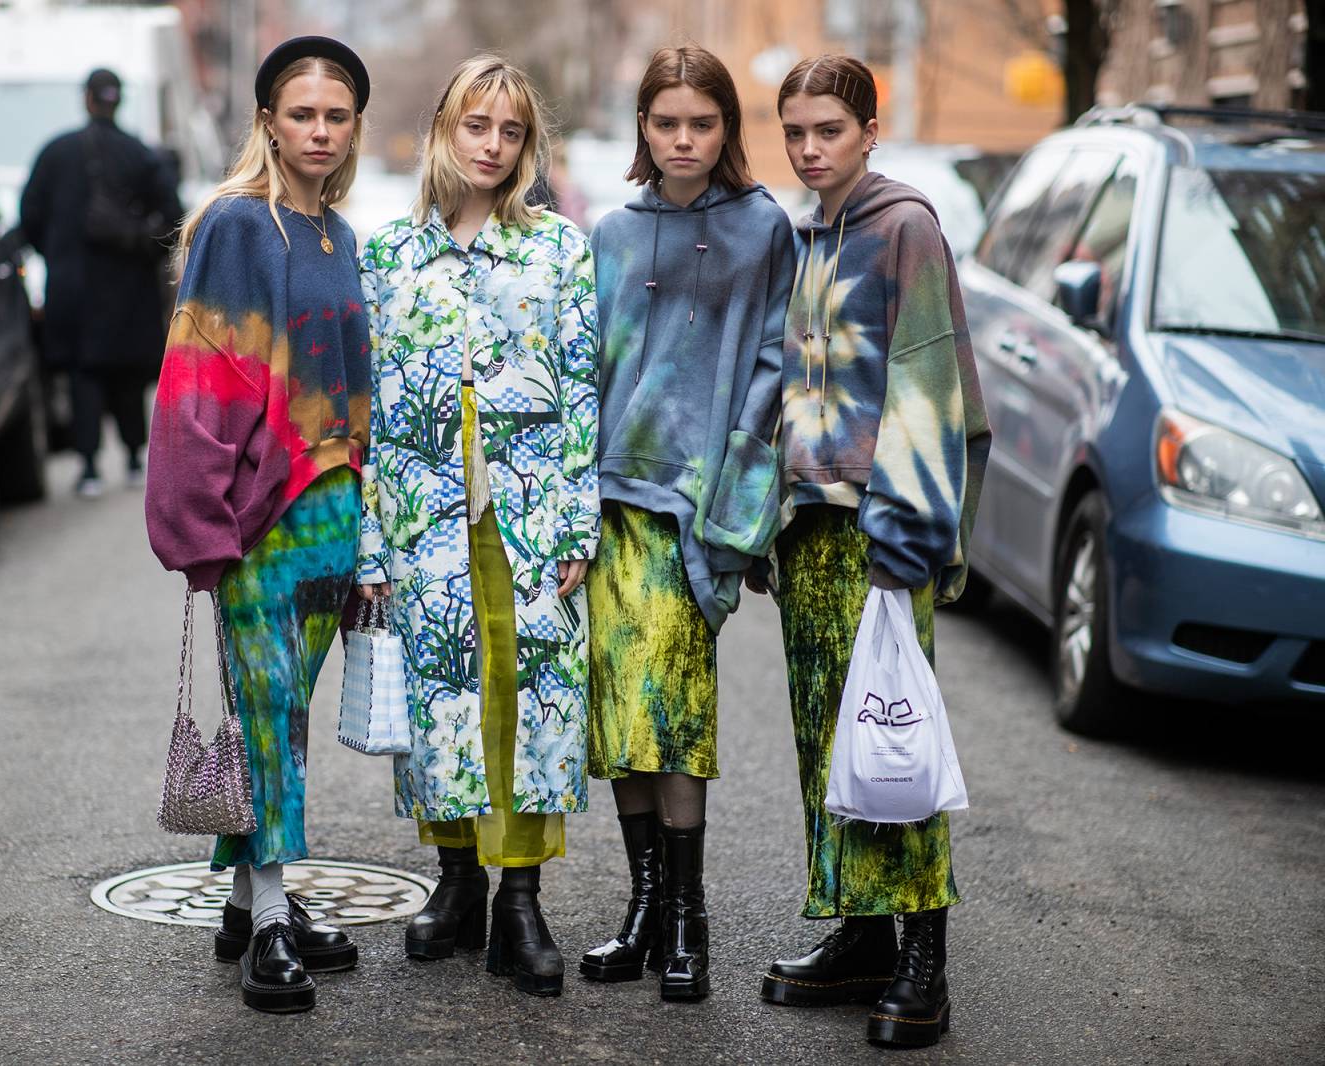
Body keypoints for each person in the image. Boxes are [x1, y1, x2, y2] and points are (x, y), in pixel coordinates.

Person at [757, 55, 990, 1048]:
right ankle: (858, 932)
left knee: (895, 734)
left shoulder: (904, 230)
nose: (810, 150)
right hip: (810, 527)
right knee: (832, 740)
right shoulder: (809, 232)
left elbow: (931, 394)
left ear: (868, 131)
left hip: (879, 532)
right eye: (796, 132)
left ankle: (923, 952)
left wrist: (907, 542)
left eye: (829, 131)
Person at [355, 54, 599, 999]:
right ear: (444, 132)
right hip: (424, 520)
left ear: (528, 144)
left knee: (529, 694)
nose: (492, 146)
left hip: (532, 517)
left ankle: (522, 898)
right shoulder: (391, 257)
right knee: (442, 697)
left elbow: (583, 392)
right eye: (475, 126)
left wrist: (577, 522)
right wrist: (374, 545)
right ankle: (455, 880)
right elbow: (370, 411)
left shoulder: (557, 251)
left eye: (510, 131)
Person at [143, 36, 373, 1015]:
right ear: (268, 122)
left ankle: (249, 894)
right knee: (269, 705)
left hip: (333, 510)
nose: (318, 130)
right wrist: (199, 522)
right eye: (300, 114)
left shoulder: (338, 234)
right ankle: (274, 917)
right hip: (258, 514)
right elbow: (202, 376)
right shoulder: (242, 227)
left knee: (280, 716)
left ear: (354, 126)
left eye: (335, 115)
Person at [580, 45, 794, 1004]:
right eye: (664, 122)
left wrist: (736, 507)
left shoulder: (762, 231)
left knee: (678, 719)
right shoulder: (612, 234)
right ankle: (642, 907)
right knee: (623, 720)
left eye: (701, 123)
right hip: (611, 505)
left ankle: (687, 917)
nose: (681, 140)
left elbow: (776, 367)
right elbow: (582, 369)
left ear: (727, 130)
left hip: (693, 511)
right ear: (642, 128)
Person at [20, 68, 181, 497]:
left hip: (72, 287)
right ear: (119, 100)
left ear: (87, 99)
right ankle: (132, 456)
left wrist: (55, 254)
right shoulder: (142, 156)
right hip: (128, 287)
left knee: (82, 374)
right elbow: (173, 218)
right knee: (127, 373)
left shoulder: (55, 154)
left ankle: (89, 465)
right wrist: (140, 243)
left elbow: (29, 216)